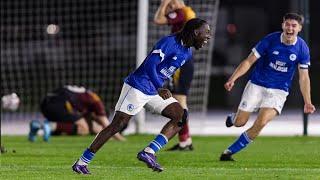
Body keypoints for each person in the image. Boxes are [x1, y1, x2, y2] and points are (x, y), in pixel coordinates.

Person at [72, 18, 211, 174]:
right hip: (139, 86)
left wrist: (167, 85)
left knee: (180, 116)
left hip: (155, 90)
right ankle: (82, 162)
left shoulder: (187, 52)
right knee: (117, 125)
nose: (208, 36)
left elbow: (167, 70)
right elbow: (150, 65)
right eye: (206, 32)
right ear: (195, 32)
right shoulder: (169, 42)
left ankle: (149, 152)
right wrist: (160, 86)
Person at [219, 13, 316, 161]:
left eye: (294, 25)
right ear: (283, 25)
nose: (290, 28)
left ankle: (229, 152)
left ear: (300, 28)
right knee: (240, 122)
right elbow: (249, 61)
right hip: (257, 85)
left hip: (279, 91)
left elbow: (304, 77)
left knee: (261, 122)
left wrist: (307, 101)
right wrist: (233, 78)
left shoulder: (302, 48)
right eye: (287, 24)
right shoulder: (270, 40)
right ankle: (234, 118)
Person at [154, 0, 196, 151]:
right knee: (180, 100)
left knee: (180, 101)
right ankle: (186, 140)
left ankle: (185, 141)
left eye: (171, 4)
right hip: (185, 61)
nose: (169, 8)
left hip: (181, 63)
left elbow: (158, 19)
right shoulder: (186, 13)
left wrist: (164, 3)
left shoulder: (181, 12)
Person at [28, 85, 125, 142]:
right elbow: (107, 125)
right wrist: (120, 139)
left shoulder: (84, 100)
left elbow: (94, 127)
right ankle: (50, 125)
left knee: (70, 128)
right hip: (61, 103)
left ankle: (38, 126)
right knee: (83, 129)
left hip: (46, 103)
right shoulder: (96, 102)